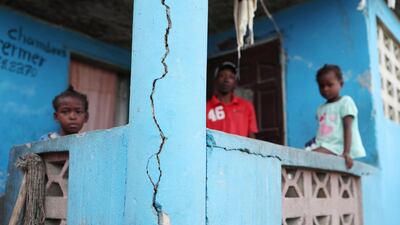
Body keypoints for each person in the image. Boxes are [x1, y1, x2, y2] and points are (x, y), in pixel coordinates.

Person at [308, 64, 366, 169]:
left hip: (337, 147)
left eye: (329, 85)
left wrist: (346, 152)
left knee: (310, 156)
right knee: (305, 153)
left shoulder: (345, 102)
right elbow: (322, 131)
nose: (325, 89)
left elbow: (348, 128)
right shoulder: (320, 108)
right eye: (321, 86)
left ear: (341, 84)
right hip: (323, 145)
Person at [206, 61, 258, 138]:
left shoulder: (247, 106)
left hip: (240, 150)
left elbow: (252, 136)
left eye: (231, 77)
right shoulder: (206, 108)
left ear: (235, 83)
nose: (226, 79)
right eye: (222, 75)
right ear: (216, 80)